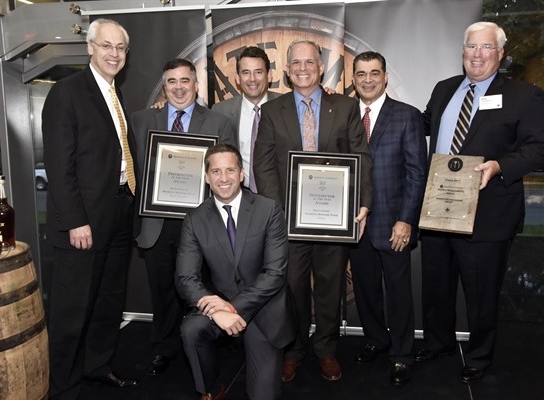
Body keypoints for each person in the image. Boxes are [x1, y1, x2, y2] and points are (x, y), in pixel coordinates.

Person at [417, 21, 544, 383]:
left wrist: (500, 166)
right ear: (463, 51)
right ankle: (439, 343)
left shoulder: (523, 95)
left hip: (488, 211)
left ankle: (479, 355)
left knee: (480, 291)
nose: (477, 55)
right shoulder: (444, 89)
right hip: (439, 205)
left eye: (486, 47)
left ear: (501, 53)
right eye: (472, 47)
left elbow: (542, 148)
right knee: (436, 284)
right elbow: (422, 125)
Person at [253, 39, 373, 382]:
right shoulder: (272, 111)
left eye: (309, 62)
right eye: (296, 63)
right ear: (287, 71)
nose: (303, 68)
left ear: (320, 68)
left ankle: (326, 349)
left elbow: (361, 157)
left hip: (334, 217)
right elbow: (264, 166)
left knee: (331, 286)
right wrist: (278, 213)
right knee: (291, 287)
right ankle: (294, 349)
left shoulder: (346, 107)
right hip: (289, 221)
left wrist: (363, 203)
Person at [42, 18, 139, 399]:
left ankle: (97, 367)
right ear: (90, 48)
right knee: (71, 310)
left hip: (119, 211)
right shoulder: (67, 93)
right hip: (84, 222)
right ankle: (63, 388)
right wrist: (75, 221)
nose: (114, 54)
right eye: (106, 45)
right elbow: (59, 165)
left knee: (107, 301)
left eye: (120, 48)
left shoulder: (115, 94)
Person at [132, 58, 235, 376]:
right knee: (162, 290)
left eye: (185, 80)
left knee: (202, 288)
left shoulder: (219, 123)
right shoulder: (141, 120)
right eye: (171, 81)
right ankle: (164, 348)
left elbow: (227, 177)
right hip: (157, 224)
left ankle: (204, 347)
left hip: (202, 224)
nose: (178, 87)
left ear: (196, 84)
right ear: (164, 86)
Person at [175, 143, 296, 400]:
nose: (224, 178)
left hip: (263, 308)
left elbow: (275, 273)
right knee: (191, 329)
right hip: (218, 305)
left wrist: (230, 308)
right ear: (207, 177)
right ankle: (211, 390)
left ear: (241, 174)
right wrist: (215, 310)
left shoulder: (268, 209)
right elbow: (186, 278)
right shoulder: (195, 219)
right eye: (216, 171)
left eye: (230, 170)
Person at [349, 51, 427, 386]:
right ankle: (376, 339)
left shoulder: (407, 116)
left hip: (393, 222)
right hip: (354, 222)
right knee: (365, 288)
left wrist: (406, 219)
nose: (368, 80)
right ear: (353, 78)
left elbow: (416, 173)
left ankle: (401, 354)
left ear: (385, 77)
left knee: (397, 291)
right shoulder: (344, 114)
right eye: (361, 74)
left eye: (374, 73)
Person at [212, 46, 280, 192]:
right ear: (237, 78)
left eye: (258, 72)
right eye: (246, 73)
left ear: (269, 75)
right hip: (238, 194)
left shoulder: (286, 106)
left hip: (278, 194)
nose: (252, 79)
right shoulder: (221, 111)